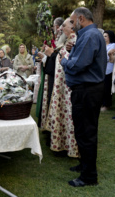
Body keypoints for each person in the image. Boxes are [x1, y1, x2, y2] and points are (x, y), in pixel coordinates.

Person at [60, 7, 106, 187]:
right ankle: (84, 165)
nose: (71, 25)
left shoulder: (89, 35)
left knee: (86, 132)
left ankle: (89, 176)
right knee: (83, 131)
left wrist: (64, 59)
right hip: (87, 90)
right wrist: (73, 49)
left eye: (72, 21)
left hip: (87, 90)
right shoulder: (89, 35)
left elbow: (77, 65)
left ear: (80, 19)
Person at [41, 18, 78, 158]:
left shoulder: (73, 42)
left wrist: (54, 55)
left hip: (67, 88)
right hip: (60, 86)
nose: (61, 29)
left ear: (73, 28)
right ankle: (61, 143)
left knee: (68, 117)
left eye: (64, 26)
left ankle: (68, 146)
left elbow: (69, 62)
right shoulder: (68, 42)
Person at [36, 17, 65, 128]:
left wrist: (46, 56)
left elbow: (58, 58)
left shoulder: (63, 41)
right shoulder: (58, 40)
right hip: (52, 73)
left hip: (57, 76)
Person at [101, 31, 115, 111]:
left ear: (110, 37)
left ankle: (107, 105)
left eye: (106, 36)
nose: (104, 38)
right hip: (102, 69)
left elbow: (109, 58)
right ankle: (102, 103)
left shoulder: (113, 45)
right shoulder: (102, 45)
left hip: (109, 69)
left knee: (107, 88)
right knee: (102, 88)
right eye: (103, 36)